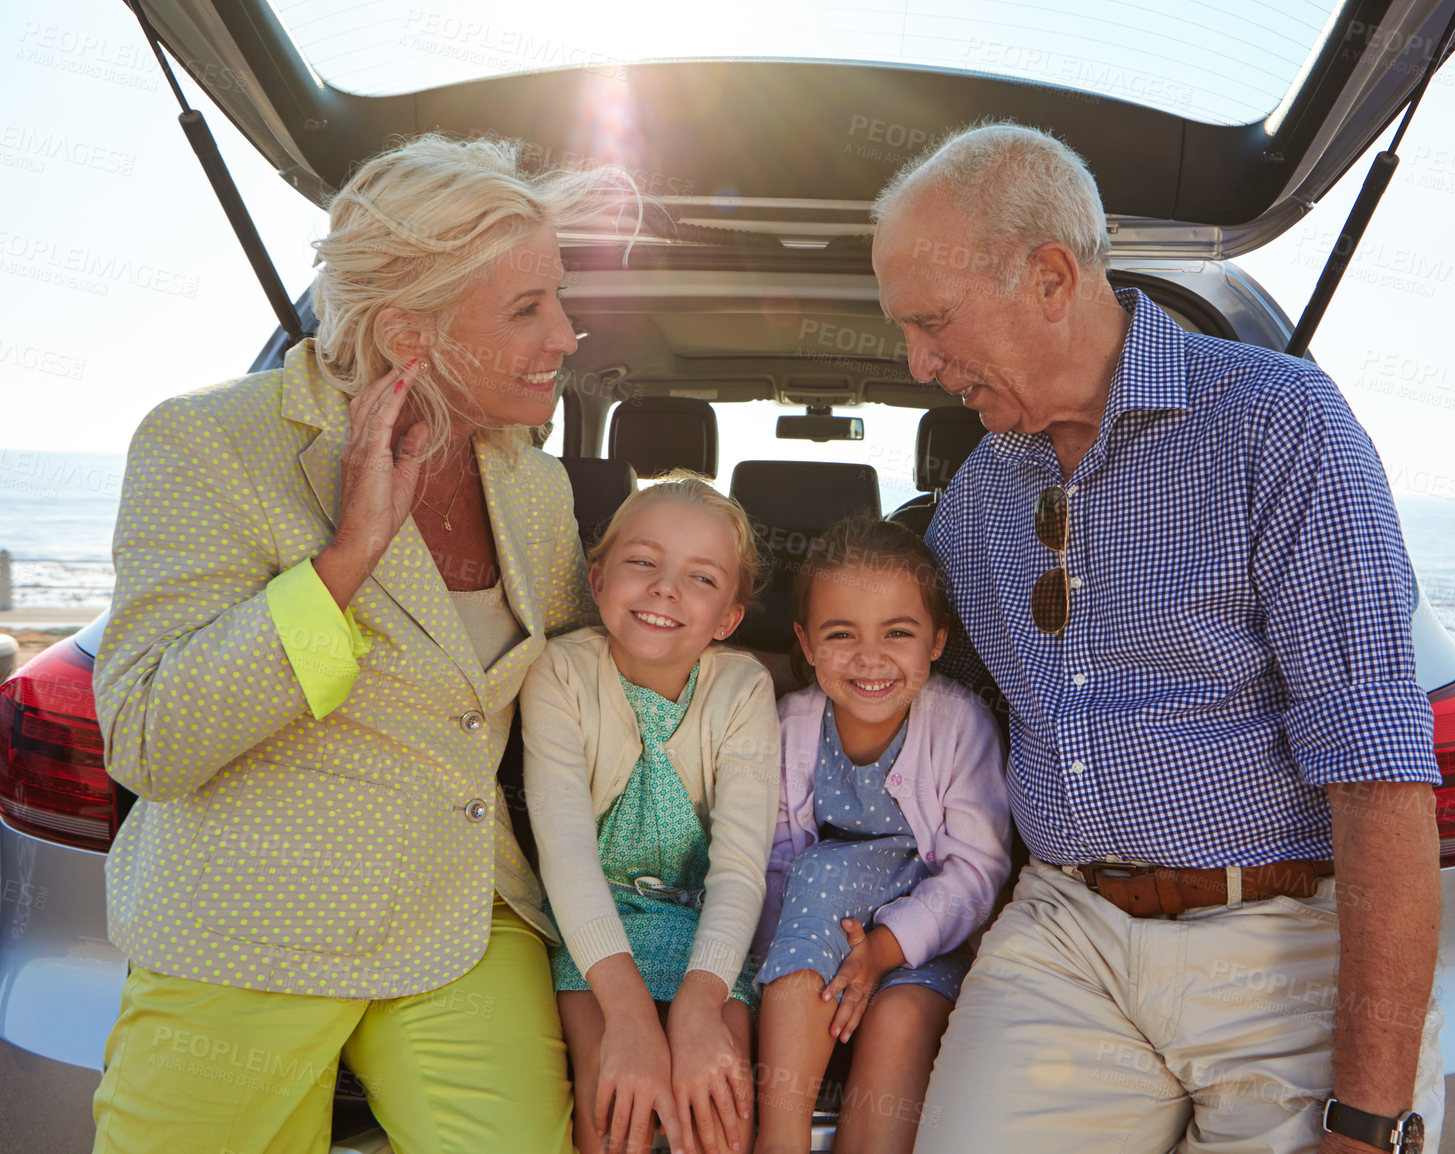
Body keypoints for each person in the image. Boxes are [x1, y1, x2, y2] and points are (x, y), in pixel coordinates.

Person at [872, 123, 1447, 1154]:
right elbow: (898, 684)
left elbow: (1378, 779)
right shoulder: (974, 497)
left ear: (1051, 275)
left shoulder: (1278, 426)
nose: (919, 364)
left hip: (1286, 938)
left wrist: (1365, 1123)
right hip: (1068, 934)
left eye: (933, 323)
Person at [92, 134, 626, 1153]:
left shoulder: (536, 484)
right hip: (249, 931)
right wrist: (345, 560)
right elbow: (151, 737)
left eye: (558, 296)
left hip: (471, 924)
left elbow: (571, 701)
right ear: (409, 334)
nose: (567, 331)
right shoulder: (207, 441)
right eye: (526, 309)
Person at [519, 475, 780, 1154]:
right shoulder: (559, 675)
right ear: (598, 579)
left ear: (728, 618)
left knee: (719, 1113)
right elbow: (568, 856)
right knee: (614, 1114)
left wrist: (700, 1005)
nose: (666, 588)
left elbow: (741, 867)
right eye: (643, 562)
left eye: (701, 578)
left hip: (706, 927)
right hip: (594, 925)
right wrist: (631, 1015)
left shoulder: (745, 687)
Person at [752, 517, 1010, 1154]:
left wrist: (887, 949)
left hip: (924, 938)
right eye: (841, 634)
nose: (870, 659)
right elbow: (775, 864)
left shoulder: (957, 723)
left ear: (936, 642)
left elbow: (976, 873)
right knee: (816, 875)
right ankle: (779, 1136)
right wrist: (775, 971)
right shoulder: (791, 726)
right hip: (811, 927)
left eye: (898, 633)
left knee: (901, 1021)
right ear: (806, 645)